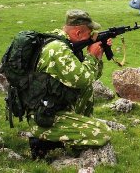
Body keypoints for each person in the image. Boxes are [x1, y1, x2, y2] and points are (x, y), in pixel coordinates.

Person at [28, 9, 113, 159]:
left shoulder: (64, 42)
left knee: (86, 89)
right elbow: (82, 78)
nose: (92, 36)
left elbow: (89, 78)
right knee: (103, 132)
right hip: (45, 118)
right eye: (89, 32)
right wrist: (91, 56)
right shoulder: (58, 49)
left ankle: (75, 130)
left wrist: (97, 58)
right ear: (79, 33)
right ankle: (43, 141)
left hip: (52, 108)